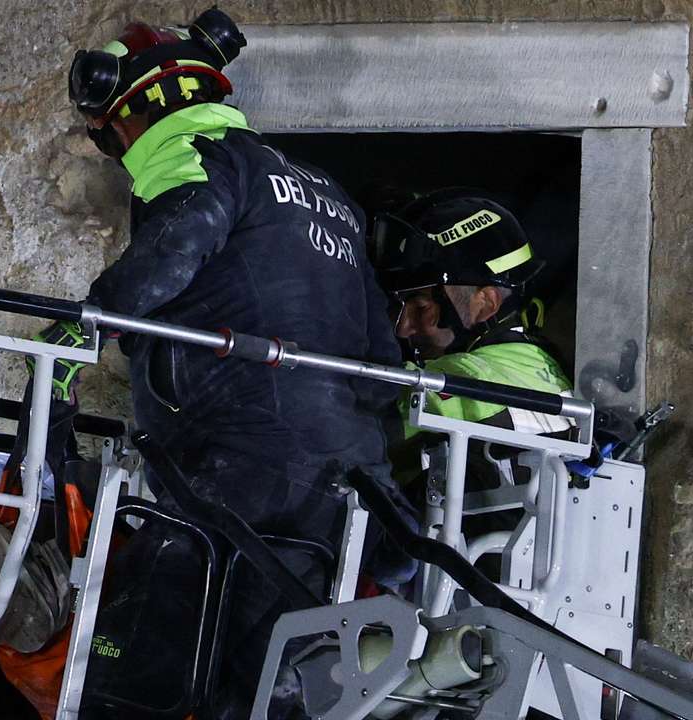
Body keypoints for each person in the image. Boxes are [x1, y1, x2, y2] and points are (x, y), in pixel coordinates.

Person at [59, 9, 415, 717]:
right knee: (265, 679)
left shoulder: (196, 157)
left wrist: (74, 339)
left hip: (239, 463)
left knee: (134, 669)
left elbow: (174, 251)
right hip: (346, 481)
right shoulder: (330, 197)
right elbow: (382, 351)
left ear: (124, 118)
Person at [372, 190, 573, 437]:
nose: (403, 328)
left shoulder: (459, 377)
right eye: (397, 307)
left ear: (486, 303)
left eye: (421, 307)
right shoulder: (552, 371)